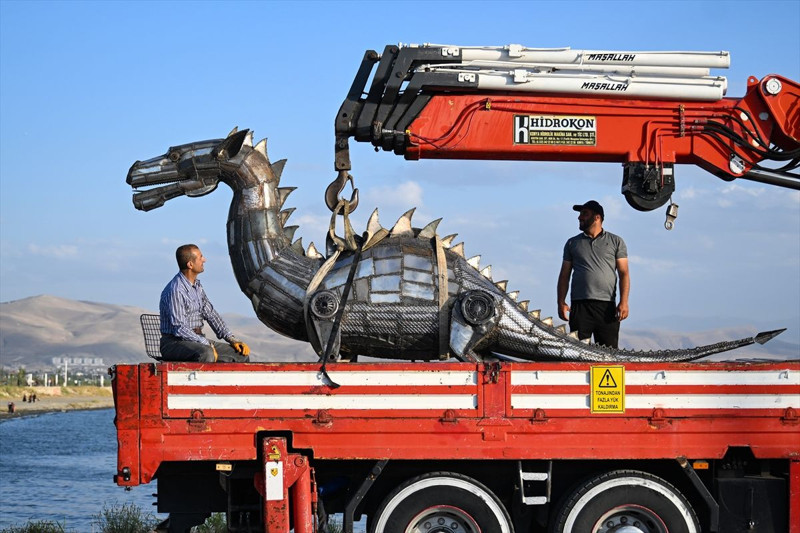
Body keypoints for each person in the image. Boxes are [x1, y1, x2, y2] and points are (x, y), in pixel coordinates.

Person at [160, 244, 251, 362]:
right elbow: (180, 328)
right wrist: (206, 343)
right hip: (174, 343)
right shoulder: (176, 290)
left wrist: (231, 339)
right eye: (200, 257)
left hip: (196, 340)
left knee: (240, 355)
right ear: (190, 264)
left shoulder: (197, 287)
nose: (204, 260)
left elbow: (211, 314)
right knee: (206, 353)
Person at [557, 200, 629, 348]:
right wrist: (561, 302)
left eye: (584, 214)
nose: (580, 217)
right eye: (580, 214)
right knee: (577, 353)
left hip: (607, 307)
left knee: (609, 355)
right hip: (579, 307)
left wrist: (624, 302)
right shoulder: (572, 243)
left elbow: (624, 273)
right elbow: (564, 274)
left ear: (597, 217)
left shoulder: (616, 241)